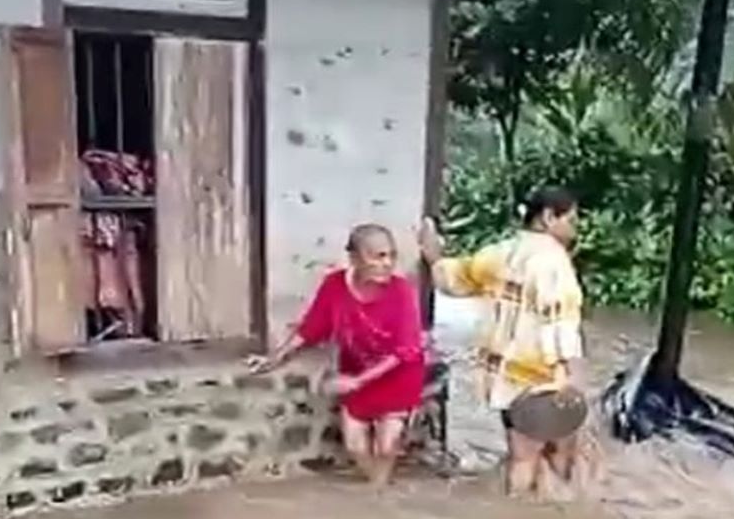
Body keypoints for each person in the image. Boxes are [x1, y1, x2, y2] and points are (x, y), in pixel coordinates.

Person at [418, 186, 599, 499]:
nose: (574, 228)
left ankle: (518, 518)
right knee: (553, 459)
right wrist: (576, 378)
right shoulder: (554, 263)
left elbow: (452, 280)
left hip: (502, 381)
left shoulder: (500, 253)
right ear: (547, 217)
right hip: (542, 380)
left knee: (523, 454)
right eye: (570, 219)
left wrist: (434, 254)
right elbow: (561, 323)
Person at [248, 224, 425, 487]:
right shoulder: (334, 286)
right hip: (357, 369)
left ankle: (379, 492)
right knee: (354, 445)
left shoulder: (402, 292)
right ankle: (378, 488)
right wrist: (276, 357)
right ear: (354, 258)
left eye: (391, 256)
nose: (387, 264)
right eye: (378, 256)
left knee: (387, 446)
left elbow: (404, 350)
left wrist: (358, 381)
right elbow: (311, 328)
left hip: (397, 374)